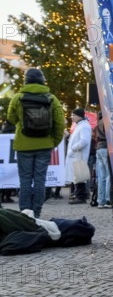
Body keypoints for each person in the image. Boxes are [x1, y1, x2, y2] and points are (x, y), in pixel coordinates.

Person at [7, 68, 65, 218]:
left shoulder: (18, 98)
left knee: (25, 179)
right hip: (44, 145)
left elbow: (11, 118)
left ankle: (25, 214)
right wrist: (53, 142)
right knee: (40, 180)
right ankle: (37, 214)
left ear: (26, 80)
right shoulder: (52, 99)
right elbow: (60, 124)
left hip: (23, 145)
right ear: (42, 80)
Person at [65, 108, 92, 204]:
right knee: (76, 176)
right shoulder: (80, 126)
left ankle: (80, 196)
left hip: (79, 155)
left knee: (79, 175)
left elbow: (84, 141)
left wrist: (73, 147)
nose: (72, 117)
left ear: (79, 116)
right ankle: (78, 194)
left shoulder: (84, 126)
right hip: (76, 155)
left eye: (73, 115)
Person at [94, 112, 111, 208]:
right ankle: (108, 199)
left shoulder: (98, 123)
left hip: (99, 148)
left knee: (101, 176)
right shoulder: (106, 121)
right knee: (108, 175)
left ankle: (101, 200)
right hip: (106, 147)